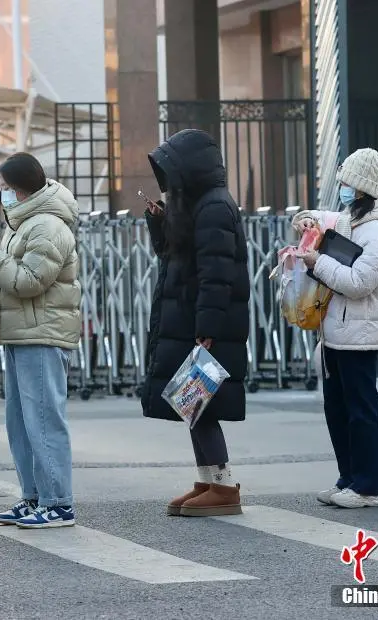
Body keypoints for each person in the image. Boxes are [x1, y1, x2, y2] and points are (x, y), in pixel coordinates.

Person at [0, 152, 80, 529]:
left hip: (42, 333)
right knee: (21, 422)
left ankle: (58, 502)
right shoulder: (23, 222)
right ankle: (34, 497)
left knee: (44, 420)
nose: (2, 196)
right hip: (20, 332)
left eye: (4, 189)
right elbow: (5, 278)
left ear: (21, 188)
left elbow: (29, 281)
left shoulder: (47, 225)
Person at [140, 129, 250, 517]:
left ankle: (223, 485)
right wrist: (160, 223)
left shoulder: (214, 207)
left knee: (202, 406)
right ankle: (207, 479)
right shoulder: (198, 206)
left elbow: (216, 275)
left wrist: (208, 329)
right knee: (193, 404)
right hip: (193, 322)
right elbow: (175, 256)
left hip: (206, 327)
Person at [292, 148, 378, 508]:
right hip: (336, 334)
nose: (340, 189)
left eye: (344, 184)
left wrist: (318, 262)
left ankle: (369, 487)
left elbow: (358, 283)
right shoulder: (347, 221)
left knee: (361, 411)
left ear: (360, 189)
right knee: (337, 409)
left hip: (361, 336)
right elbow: (311, 216)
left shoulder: (377, 233)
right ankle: (349, 479)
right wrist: (306, 222)